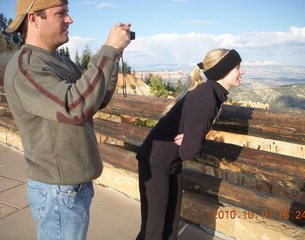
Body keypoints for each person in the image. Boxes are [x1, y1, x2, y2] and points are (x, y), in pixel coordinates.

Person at [4, 0, 132, 239]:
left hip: (72, 187)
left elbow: (94, 99)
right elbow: (75, 106)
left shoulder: (60, 61)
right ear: (33, 19)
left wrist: (114, 57)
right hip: (58, 190)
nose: (70, 20)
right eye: (61, 13)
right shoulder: (27, 67)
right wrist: (108, 49)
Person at [135, 48, 245, 240]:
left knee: (169, 225)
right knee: (155, 228)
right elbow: (188, 151)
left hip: (168, 161)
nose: (242, 71)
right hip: (156, 162)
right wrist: (194, 139)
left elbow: (188, 142)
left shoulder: (209, 93)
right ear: (223, 71)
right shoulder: (207, 98)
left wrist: (192, 137)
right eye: (237, 67)